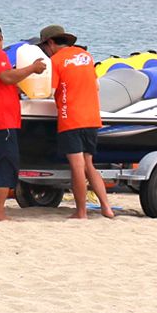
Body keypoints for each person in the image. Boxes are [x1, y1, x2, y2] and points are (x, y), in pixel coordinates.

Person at [0, 19, 47, 222]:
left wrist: (16, 88)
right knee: (4, 168)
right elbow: (6, 76)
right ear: (0, 36)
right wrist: (32, 68)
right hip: (1, 121)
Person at [37, 24, 114, 220]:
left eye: (44, 47)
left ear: (51, 43)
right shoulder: (85, 56)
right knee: (89, 164)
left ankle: (81, 212)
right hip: (92, 117)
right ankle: (106, 207)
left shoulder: (56, 60)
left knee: (77, 166)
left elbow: (49, 92)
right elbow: (96, 85)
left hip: (71, 117)